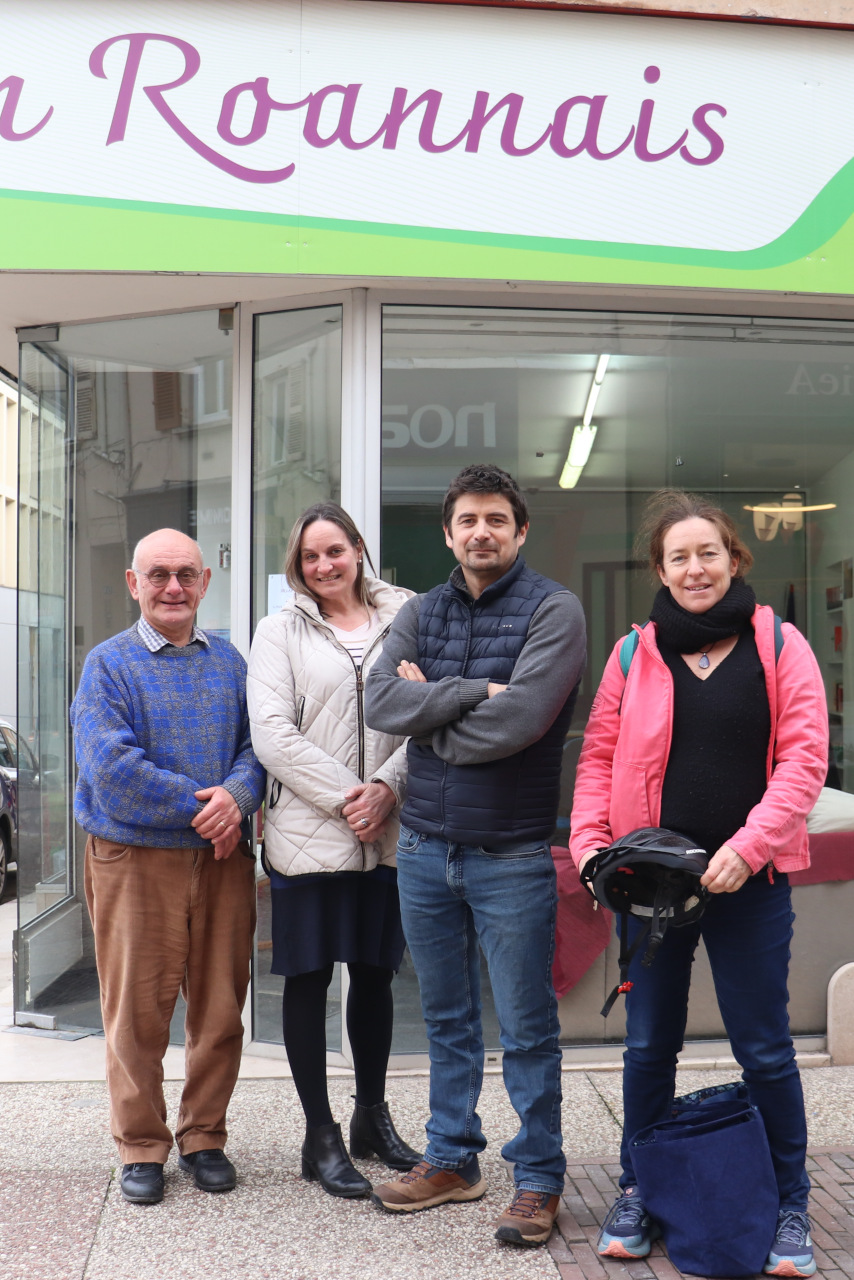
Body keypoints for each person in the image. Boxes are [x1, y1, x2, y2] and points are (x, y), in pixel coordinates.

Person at [569, 490, 827, 1279]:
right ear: (661, 569)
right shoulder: (630, 655)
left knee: (766, 1051)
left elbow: (804, 762)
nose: (694, 567)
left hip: (750, 882)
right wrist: (589, 851)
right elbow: (600, 760)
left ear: (733, 558)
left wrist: (749, 849)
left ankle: (790, 1202)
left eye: (707, 552)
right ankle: (640, 1189)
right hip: (652, 890)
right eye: (678, 556)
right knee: (648, 1049)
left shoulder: (781, 646)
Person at [364, 463, 586, 1248]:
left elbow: (521, 721)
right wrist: (468, 690)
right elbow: (378, 701)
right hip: (424, 847)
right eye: (467, 520)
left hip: (512, 853)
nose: (481, 532)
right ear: (449, 533)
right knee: (447, 1018)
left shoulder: (555, 610)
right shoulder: (421, 609)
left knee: (526, 1025)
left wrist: (432, 704)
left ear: (519, 531)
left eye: (497, 519)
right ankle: (453, 1160)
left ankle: (537, 1177)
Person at [70, 529, 265, 1206]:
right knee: (136, 1014)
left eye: (185, 574)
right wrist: (207, 810)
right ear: (133, 583)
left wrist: (238, 797)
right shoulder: (108, 665)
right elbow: (112, 771)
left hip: (221, 862)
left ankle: (204, 1136)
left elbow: (257, 747)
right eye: (159, 576)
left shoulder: (233, 664)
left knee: (219, 1009)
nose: (173, 587)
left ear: (206, 581)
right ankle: (142, 1146)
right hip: (134, 861)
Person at [246, 502, 420, 1200]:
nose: (324, 566)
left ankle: (370, 1119)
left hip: (387, 835)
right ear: (299, 563)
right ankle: (318, 1135)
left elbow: (426, 710)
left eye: (335, 551)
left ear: (357, 550)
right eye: (311, 556)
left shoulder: (404, 615)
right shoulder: (278, 631)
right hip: (308, 835)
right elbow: (272, 735)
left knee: (376, 976)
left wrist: (387, 789)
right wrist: (353, 796)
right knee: (308, 978)